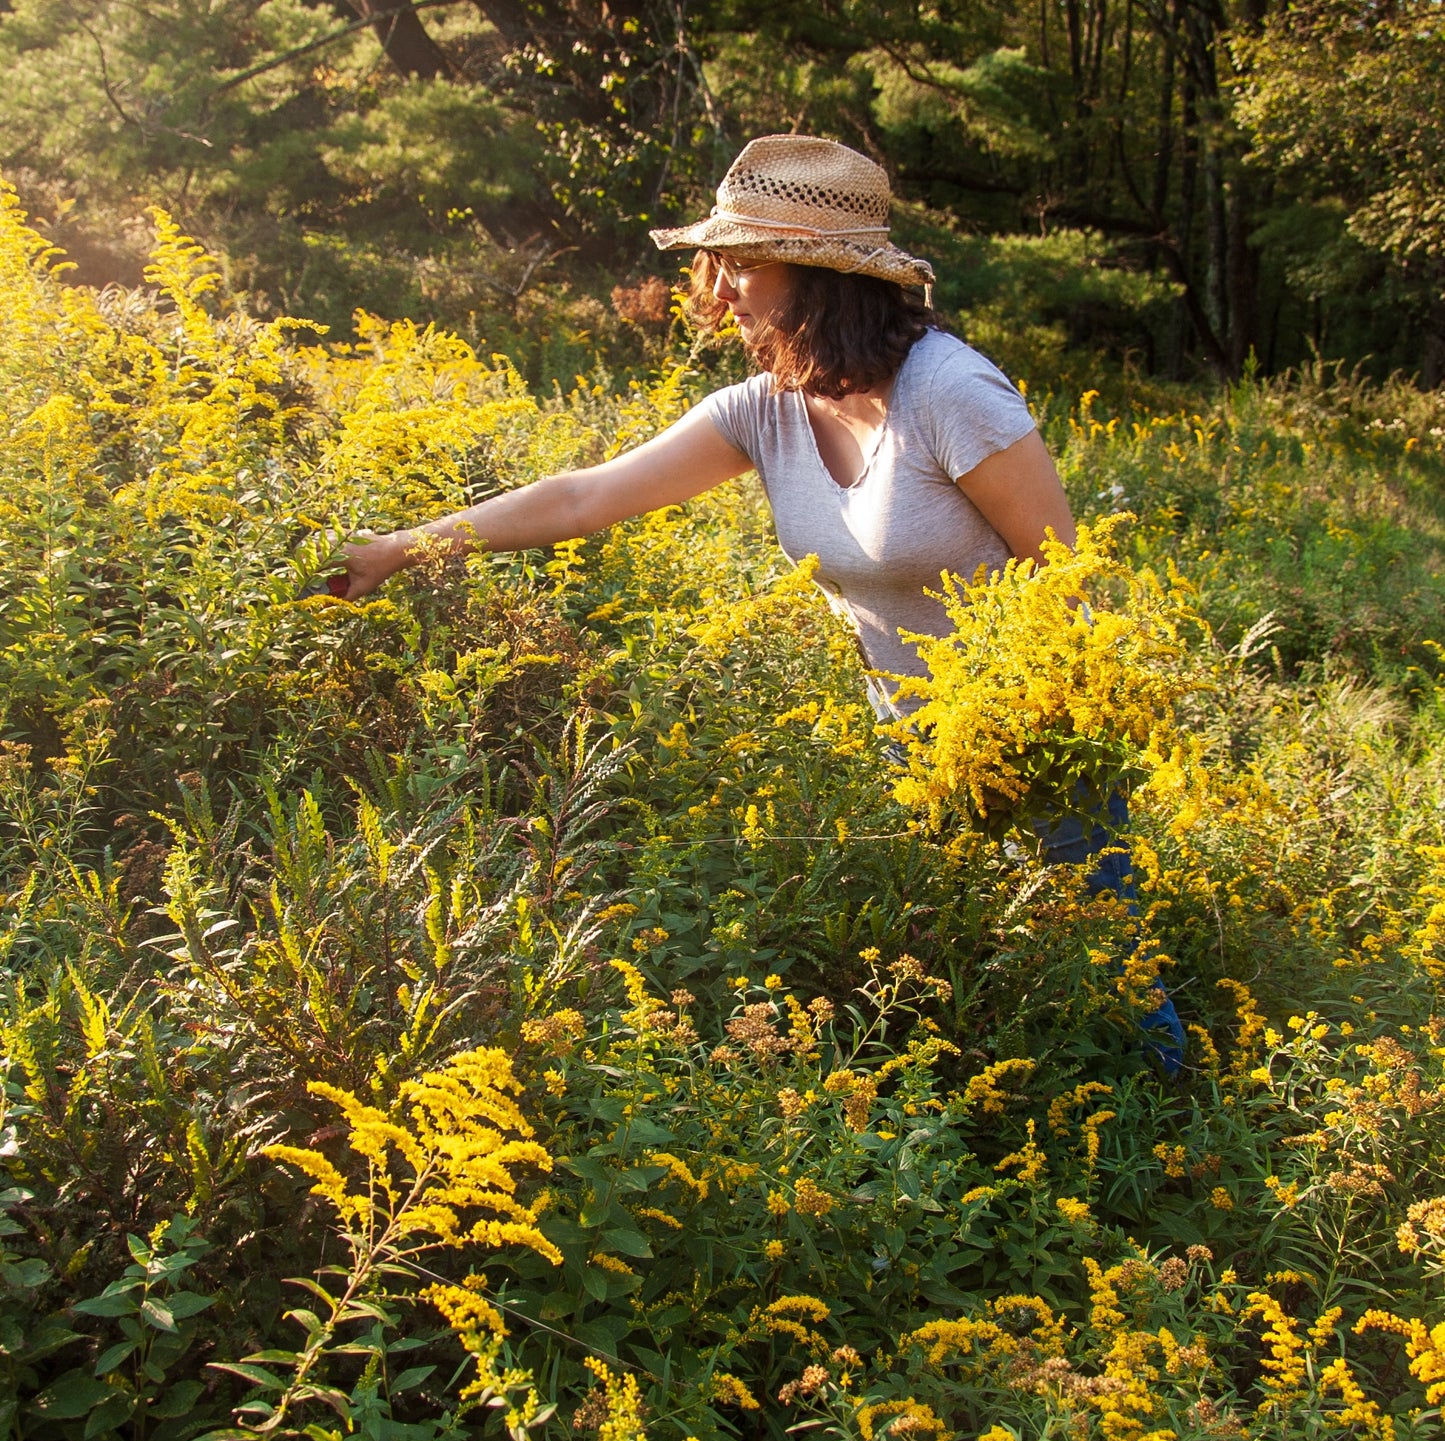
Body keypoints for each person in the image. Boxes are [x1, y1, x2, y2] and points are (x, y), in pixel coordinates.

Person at [332, 134, 1184, 1070]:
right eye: (717, 263)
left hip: (1041, 742)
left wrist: (1043, 751)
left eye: (742, 263)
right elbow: (583, 497)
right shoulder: (768, 405)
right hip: (916, 752)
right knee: (985, 990)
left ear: (821, 276)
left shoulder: (952, 391)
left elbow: (1065, 576)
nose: (717, 287)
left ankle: (1181, 1137)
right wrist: (400, 549)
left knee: (1112, 983)